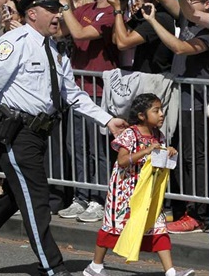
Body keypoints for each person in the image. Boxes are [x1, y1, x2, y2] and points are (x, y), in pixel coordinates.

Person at [0, 0, 127, 276]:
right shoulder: (14, 43)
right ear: (32, 13)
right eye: (51, 10)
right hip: (13, 133)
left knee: (15, 197)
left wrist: (107, 119)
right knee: (37, 199)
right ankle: (53, 265)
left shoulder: (54, 49)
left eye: (58, 10)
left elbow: (72, 94)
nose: (57, 16)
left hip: (37, 134)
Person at [83, 93, 194, 276]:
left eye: (161, 110)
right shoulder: (130, 134)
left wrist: (169, 153)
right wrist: (147, 150)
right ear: (142, 115)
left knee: (157, 227)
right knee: (114, 228)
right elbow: (123, 161)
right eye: (156, 110)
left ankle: (171, 272)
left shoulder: (159, 136)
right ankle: (95, 266)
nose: (161, 114)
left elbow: (158, 160)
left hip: (147, 192)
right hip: (124, 192)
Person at [141, 0, 209, 234]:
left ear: (206, 4)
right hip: (182, 100)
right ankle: (185, 210)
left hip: (199, 102)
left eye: (193, 0)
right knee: (180, 156)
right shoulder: (186, 17)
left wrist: (154, 24)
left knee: (196, 159)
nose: (187, 4)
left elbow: (180, 47)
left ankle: (200, 215)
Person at [56, 0, 124, 223]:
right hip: (76, 90)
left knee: (98, 151)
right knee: (78, 148)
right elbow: (62, 29)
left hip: (98, 92)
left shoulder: (113, 15)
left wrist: (65, 5)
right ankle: (81, 196)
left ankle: (99, 199)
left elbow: (79, 31)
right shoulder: (86, 8)